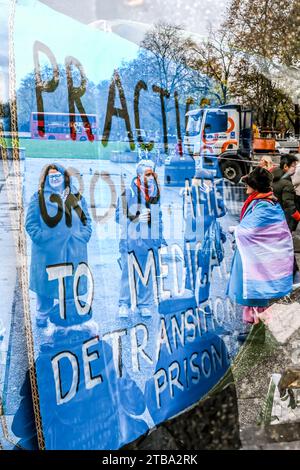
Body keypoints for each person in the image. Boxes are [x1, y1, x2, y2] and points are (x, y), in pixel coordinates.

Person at [227, 166, 294, 335]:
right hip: (257, 254)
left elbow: (249, 230)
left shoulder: (263, 204)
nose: (245, 187)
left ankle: (257, 330)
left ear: (255, 187)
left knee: (255, 290)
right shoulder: (268, 201)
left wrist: (236, 230)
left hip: (256, 257)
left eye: (248, 184)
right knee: (256, 291)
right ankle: (255, 325)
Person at [25, 164, 92, 328]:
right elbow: (30, 224)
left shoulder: (77, 197)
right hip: (48, 252)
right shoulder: (39, 197)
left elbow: (86, 220)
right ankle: (42, 315)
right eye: (51, 177)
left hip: (73, 249)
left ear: (65, 178)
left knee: (70, 285)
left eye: (58, 176)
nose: (55, 179)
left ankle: (67, 314)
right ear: (47, 179)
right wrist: (43, 238)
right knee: (46, 287)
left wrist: (82, 236)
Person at [115, 159, 165, 318]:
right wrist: (136, 217)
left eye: (152, 174)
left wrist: (158, 239)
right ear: (138, 175)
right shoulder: (127, 192)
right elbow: (118, 216)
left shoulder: (155, 193)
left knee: (146, 272)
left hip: (149, 241)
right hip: (130, 241)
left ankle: (144, 304)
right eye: (147, 174)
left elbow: (159, 217)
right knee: (127, 274)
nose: (151, 177)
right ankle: (124, 304)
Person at [271, 154, 300, 284]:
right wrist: (298, 216)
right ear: (286, 166)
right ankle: (292, 270)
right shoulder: (286, 183)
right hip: (283, 218)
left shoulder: (274, 177)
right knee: (285, 244)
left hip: (273, 217)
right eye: (293, 166)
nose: (295, 169)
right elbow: (289, 205)